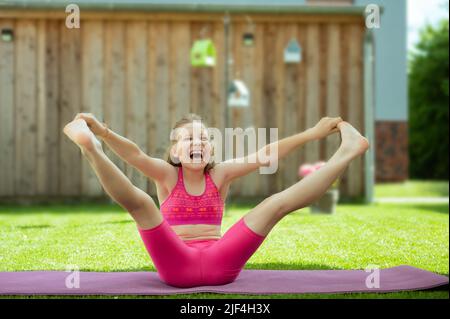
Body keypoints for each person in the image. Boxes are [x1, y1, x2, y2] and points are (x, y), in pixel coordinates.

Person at [63, 113, 369, 287]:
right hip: (176, 265)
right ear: (174, 152)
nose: (197, 143)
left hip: (222, 261)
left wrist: (312, 135)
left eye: (204, 139)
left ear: (212, 149)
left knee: (274, 205)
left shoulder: (220, 174)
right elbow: (134, 155)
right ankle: (90, 147)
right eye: (188, 139)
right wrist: (101, 132)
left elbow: (266, 156)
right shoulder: (168, 175)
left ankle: (347, 152)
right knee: (141, 205)